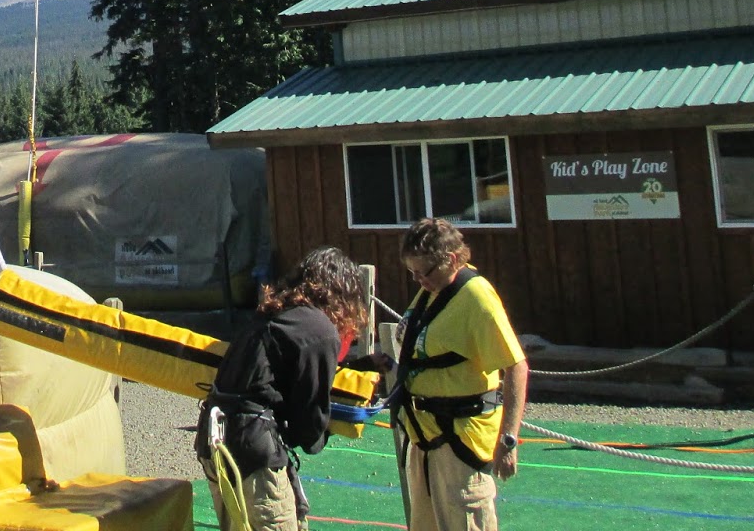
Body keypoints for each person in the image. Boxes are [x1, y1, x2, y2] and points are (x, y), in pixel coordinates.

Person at [194, 246, 369, 530]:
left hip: (215, 439)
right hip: (254, 450)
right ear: (344, 295)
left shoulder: (273, 314)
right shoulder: (320, 330)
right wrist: (324, 432)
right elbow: (309, 420)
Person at [392, 217, 527, 531]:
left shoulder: (477, 298)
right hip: (424, 441)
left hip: (459, 443)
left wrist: (508, 440)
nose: (418, 280)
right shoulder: (431, 290)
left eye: (423, 272)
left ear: (451, 259)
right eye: (411, 272)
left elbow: (516, 366)